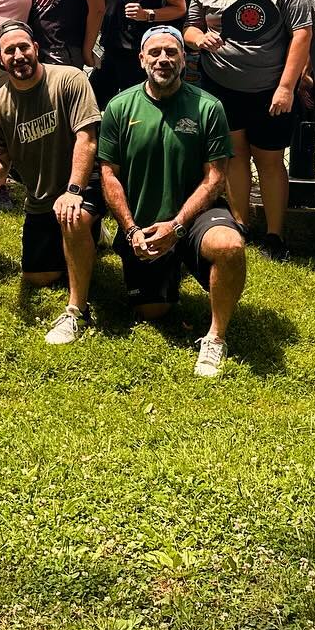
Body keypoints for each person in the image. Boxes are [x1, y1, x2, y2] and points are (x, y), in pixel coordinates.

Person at [98, 27, 248, 378]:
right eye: (154, 53)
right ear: (141, 60)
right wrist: (131, 228)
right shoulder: (119, 107)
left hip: (194, 215)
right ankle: (167, 267)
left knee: (229, 246)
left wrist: (178, 226)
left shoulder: (208, 107)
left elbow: (215, 178)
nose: (163, 59)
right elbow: (108, 176)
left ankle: (215, 337)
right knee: (152, 311)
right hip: (144, 222)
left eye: (171, 52)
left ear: (184, 59)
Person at [0, 22, 104, 345]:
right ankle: (87, 239)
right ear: (0, 58)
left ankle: (76, 310)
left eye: (24, 47)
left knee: (73, 217)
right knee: (36, 276)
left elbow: (87, 140)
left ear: (35, 48)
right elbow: (0, 163)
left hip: (82, 185)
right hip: (40, 199)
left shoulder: (69, 79)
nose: (18, 55)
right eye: (9, 50)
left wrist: (73, 191)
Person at [184, 0, 313, 260]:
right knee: (235, 156)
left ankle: (274, 234)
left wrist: (286, 87)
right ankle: (240, 223)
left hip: (269, 89)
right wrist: (199, 40)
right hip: (221, 86)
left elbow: (302, 33)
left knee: (270, 161)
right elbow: (190, 26)